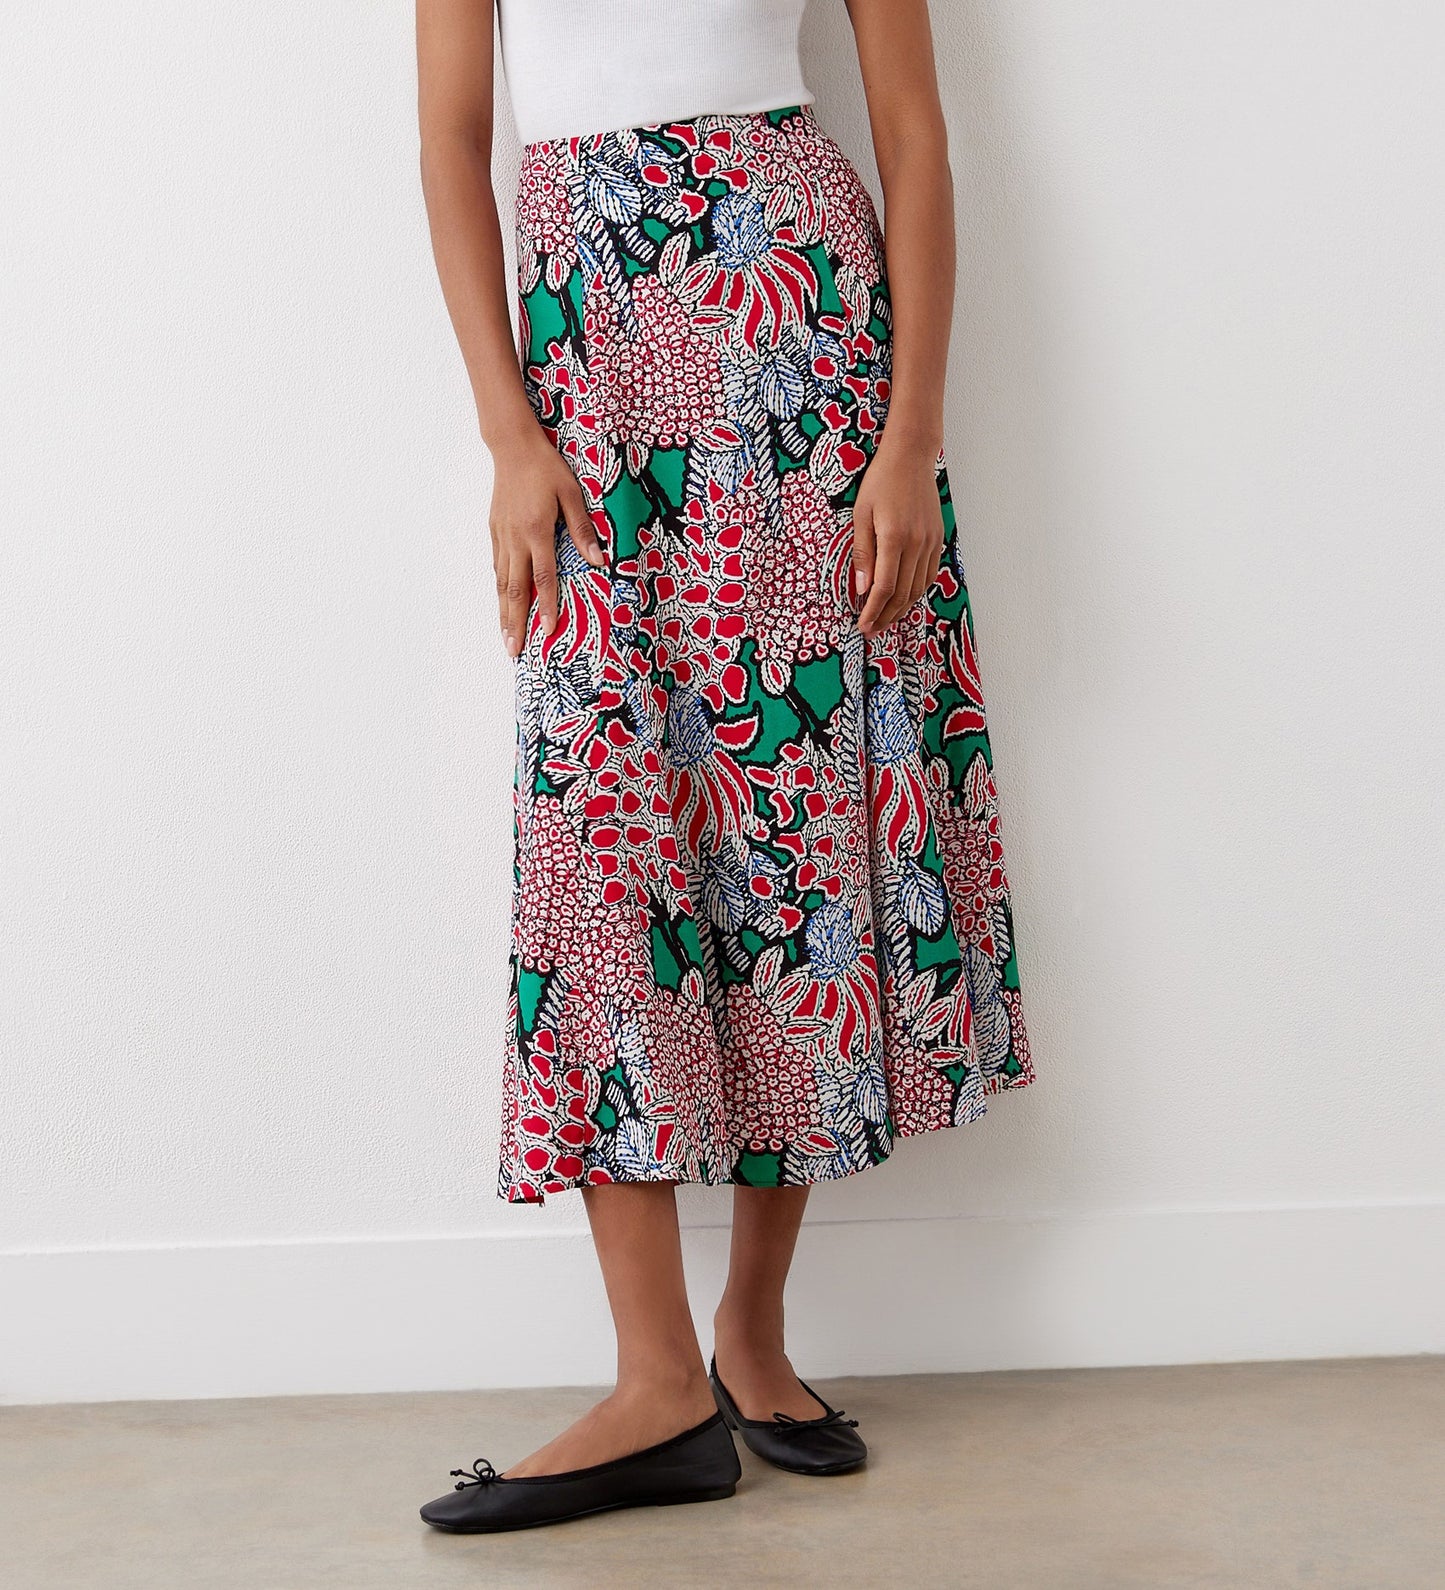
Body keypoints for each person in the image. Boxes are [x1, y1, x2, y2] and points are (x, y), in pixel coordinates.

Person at [415, 0, 1035, 1532]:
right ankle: (653, 1380)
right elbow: (447, 138)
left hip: (794, 327)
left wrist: (907, 441)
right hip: (586, 365)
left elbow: (912, 139)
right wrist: (506, 430)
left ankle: (747, 1331)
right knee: (600, 827)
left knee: (794, 816)